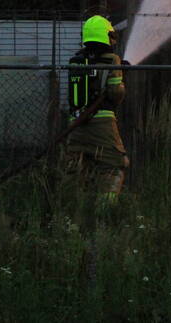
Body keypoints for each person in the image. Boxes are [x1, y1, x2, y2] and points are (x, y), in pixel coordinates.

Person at [65, 15, 128, 202]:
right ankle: (104, 209)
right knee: (115, 164)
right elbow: (115, 93)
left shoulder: (76, 60)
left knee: (75, 168)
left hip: (76, 123)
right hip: (102, 122)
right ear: (105, 36)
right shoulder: (112, 59)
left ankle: (70, 208)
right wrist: (121, 77)